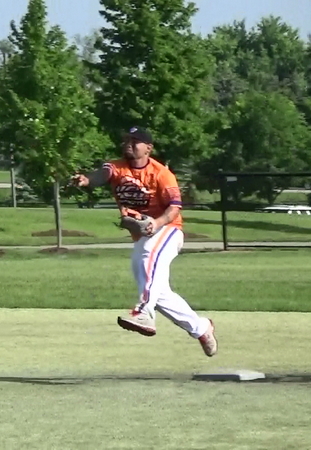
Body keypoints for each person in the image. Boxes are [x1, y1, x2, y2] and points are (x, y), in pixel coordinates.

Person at [70, 126, 218, 357]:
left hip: (168, 230)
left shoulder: (161, 174)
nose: (128, 144)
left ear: (148, 148)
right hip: (144, 236)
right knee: (155, 288)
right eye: (126, 140)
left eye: (135, 141)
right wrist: (87, 180)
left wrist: (157, 223)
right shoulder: (117, 167)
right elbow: (103, 174)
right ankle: (200, 328)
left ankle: (143, 312)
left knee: (148, 260)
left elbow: (174, 208)